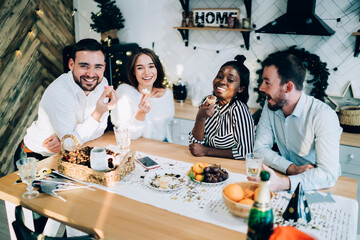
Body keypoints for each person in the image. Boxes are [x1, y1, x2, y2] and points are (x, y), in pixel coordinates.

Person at [249, 52, 342, 191]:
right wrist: (292, 169)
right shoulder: (271, 107)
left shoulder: (323, 115)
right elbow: (260, 149)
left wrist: (282, 183)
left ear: (288, 87)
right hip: (284, 178)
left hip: (319, 186)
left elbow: (328, 174)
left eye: (267, 82)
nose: (261, 87)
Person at [15, 38, 118, 163]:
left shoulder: (103, 84)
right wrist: (98, 114)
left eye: (98, 67)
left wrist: (70, 139)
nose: (91, 74)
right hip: (35, 157)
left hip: (71, 154)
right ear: (71, 64)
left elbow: (101, 129)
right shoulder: (58, 91)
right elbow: (70, 144)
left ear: (104, 67)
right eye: (84, 66)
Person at [188, 55, 255, 159]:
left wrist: (207, 151)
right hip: (204, 164)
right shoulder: (208, 102)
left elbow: (246, 152)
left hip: (229, 168)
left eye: (230, 80)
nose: (222, 81)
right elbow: (195, 145)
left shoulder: (238, 110)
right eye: (220, 76)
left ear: (241, 88)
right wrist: (200, 118)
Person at [111, 48, 174, 141]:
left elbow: (165, 129)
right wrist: (141, 113)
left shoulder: (166, 94)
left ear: (157, 69)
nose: (147, 72)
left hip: (163, 145)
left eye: (151, 66)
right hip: (138, 148)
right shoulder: (125, 93)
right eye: (140, 68)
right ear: (133, 72)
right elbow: (126, 135)